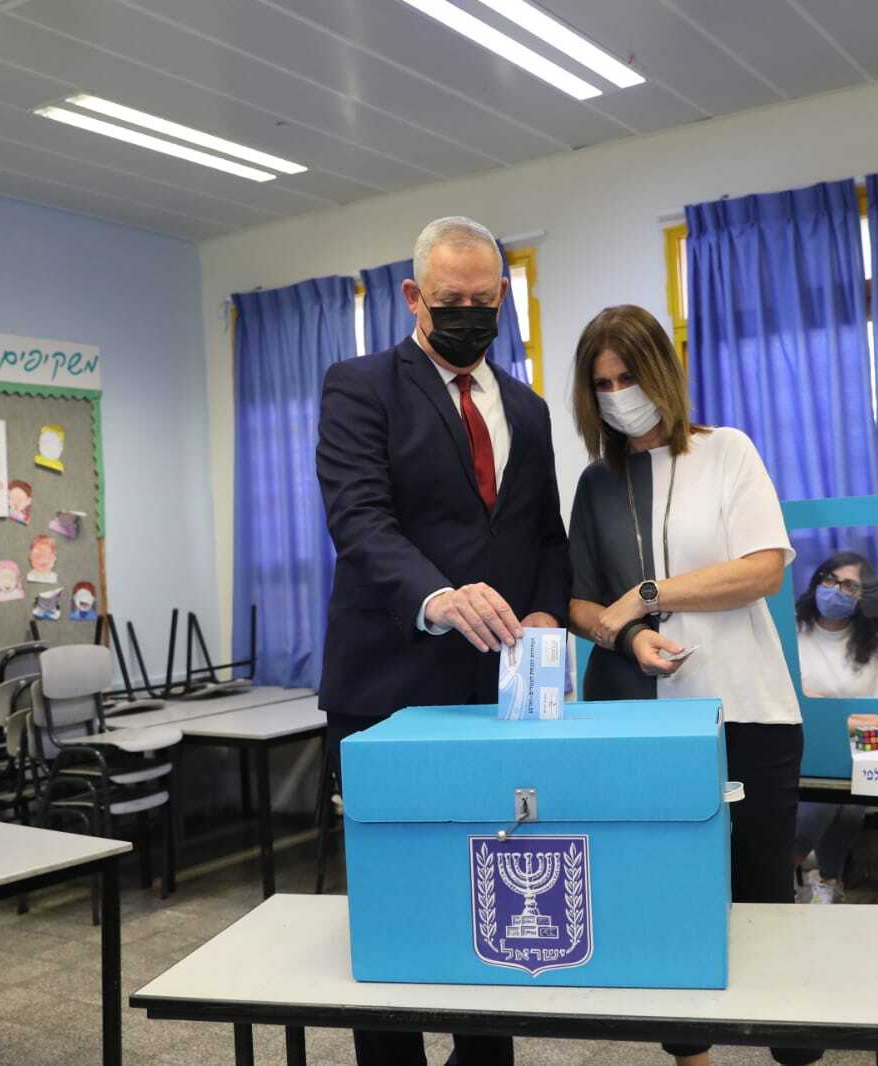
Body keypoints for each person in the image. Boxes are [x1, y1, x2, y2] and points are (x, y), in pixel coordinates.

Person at [315, 216, 569, 1066]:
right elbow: (358, 519)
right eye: (447, 299)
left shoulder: (526, 408)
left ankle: (483, 1052)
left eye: (480, 298)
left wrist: (542, 610)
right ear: (413, 296)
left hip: (493, 695)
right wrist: (438, 596)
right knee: (397, 897)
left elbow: (544, 535)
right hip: (387, 683)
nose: (466, 311)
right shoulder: (360, 387)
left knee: (494, 885)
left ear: (503, 295)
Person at [564, 305, 817, 1066]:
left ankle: (792, 1048)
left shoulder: (727, 452)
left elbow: (761, 570)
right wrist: (629, 634)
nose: (617, 395)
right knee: (665, 893)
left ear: (662, 375)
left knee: (764, 889)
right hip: (638, 721)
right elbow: (579, 601)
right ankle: (689, 1056)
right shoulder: (595, 483)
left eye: (628, 377)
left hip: (747, 710)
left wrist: (645, 595)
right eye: (601, 383)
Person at [791, 552, 878, 904]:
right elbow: (791, 705)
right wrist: (855, 721)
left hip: (860, 750)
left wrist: (828, 714)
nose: (836, 590)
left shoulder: (877, 639)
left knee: (844, 791)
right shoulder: (791, 628)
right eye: (829, 579)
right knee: (835, 792)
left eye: (849, 585)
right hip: (800, 745)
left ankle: (804, 876)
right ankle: (820, 878)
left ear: (864, 596)